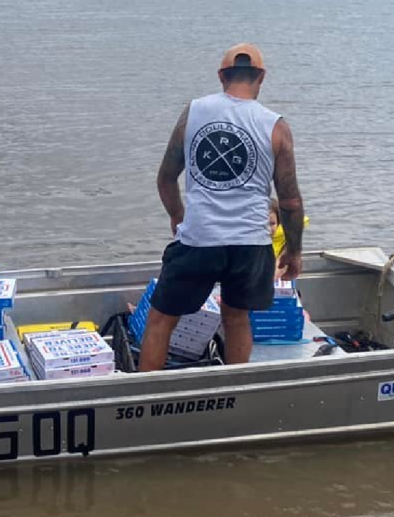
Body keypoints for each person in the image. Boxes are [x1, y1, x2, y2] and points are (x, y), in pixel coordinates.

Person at [139, 43, 304, 371]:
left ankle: (146, 401)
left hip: (199, 239)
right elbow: (290, 200)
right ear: (262, 77)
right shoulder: (276, 126)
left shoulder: (195, 112)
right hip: (251, 244)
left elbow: (166, 178)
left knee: (160, 321)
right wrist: (294, 251)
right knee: (237, 318)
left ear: (220, 77)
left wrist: (177, 215)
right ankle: (236, 392)